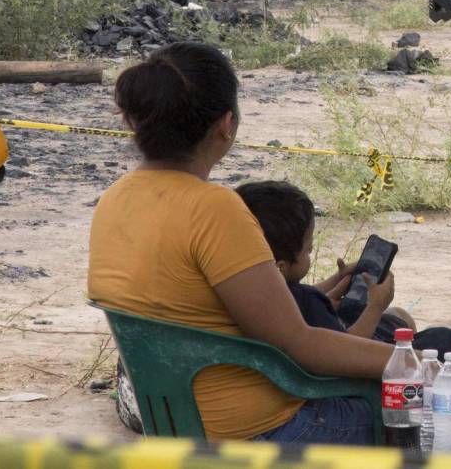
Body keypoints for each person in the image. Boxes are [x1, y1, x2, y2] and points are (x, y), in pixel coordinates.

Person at [88, 42, 397, 444]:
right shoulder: (214, 209)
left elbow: (199, 309)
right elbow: (300, 346)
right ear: (226, 124)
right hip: (257, 432)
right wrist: (417, 363)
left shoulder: (115, 199)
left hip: (175, 424)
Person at [234, 179, 451, 434]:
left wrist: (337, 282)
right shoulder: (303, 300)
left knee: (396, 320)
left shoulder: (247, 289)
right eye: (308, 250)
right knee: (440, 344)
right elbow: (344, 350)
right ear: (280, 266)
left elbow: (296, 302)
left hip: (295, 375)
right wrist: (375, 306)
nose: (310, 255)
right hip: (333, 389)